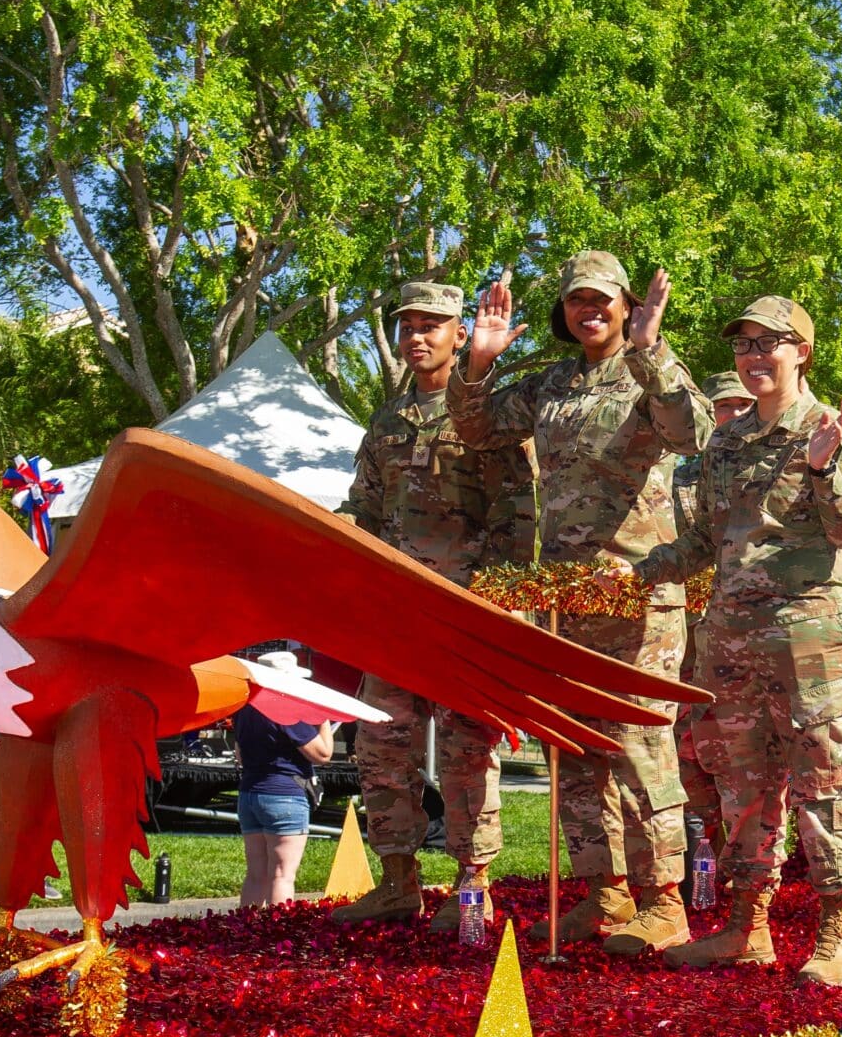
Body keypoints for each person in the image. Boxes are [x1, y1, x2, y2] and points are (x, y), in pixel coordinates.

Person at [452, 252, 713, 956]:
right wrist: (477, 363)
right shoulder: (552, 383)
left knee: (640, 744)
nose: (588, 310)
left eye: (601, 299)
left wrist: (652, 346)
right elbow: (479, 430)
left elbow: (696, 433)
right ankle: (604, 893)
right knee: (575, 753)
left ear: (627, 304)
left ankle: (665, 901)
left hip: (637, 594)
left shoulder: (649, 369)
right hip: (566, 601)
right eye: (576, 300)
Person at [634, 295, 842, 984]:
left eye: (767, 343)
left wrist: (828, 469)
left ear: (801, 350)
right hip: (733, 647)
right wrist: (638, 571)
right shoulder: (728, 441)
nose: (751, 357)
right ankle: (748, 927)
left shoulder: (830, 429)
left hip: (813, 648)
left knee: (827, 786)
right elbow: (709, 542)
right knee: (740, 791)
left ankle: (838, 934)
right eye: (742, 346)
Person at [331, 281, 536, 929]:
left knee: (466, 751)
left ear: (458, 334)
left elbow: (518, 518)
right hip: (396, 617)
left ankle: (473, 885)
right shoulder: (389, 421)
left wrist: (500, 609)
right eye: (407, 326)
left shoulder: (487, 418)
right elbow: (361, 508)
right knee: (381, 745)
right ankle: (398, 881)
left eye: (432, 325)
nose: (417, 336)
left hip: (462, 615)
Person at [674, 372, 758, 852]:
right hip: (686, 632)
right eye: (724, 406)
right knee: (688, 740)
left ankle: (744, 847)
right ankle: (701, 845)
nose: (734, 414)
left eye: (743, 405)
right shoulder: (681, 475)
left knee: (739, 741)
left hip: (743, 628)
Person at [232, 651, 335, 907]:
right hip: (285, 795)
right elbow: (322, 754)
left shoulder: (244, 708)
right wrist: (322, 719)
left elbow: (240, 755)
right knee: (282, 875)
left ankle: (245, 931)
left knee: (256, 875)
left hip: (249, 793)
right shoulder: (286, 711)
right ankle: (278, 935)